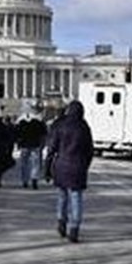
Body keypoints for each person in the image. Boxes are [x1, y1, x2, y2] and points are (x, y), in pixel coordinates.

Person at [45, 100, 93, 243]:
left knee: (62, 196)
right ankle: (74, 228)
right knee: (76, 198)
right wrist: (85, 165)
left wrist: (47, 168)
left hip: (62, 165)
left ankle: (61, 222)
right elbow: (90, 150)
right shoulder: (84, 127)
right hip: (78, 166)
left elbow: (51, 149)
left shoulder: (61, 125)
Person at [15, 112, 48, 189]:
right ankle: (34, 179)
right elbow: (44, 133)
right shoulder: (38, 123)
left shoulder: (21, 123)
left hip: (24, 145)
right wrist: (42, 143)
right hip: (35, 145)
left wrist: (18, 143)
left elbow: (17, 133)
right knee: (35, 164)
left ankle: (25, 181)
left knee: (24, 164)